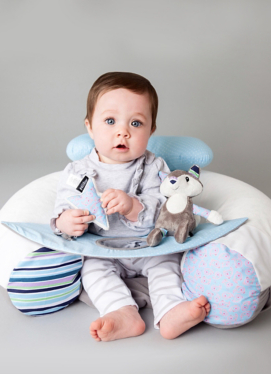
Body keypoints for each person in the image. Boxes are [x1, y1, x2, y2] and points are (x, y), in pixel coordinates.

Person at [51, 72, 210, 341]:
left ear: (151, 131)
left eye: (136, 123)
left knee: (168, 263)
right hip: (102, 250)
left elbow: (165, 209)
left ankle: (170, 310)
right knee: (92, 271)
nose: (123, 131)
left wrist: (132, 206)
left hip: (149, 244)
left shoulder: (154, 166)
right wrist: (66, 221)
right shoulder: (78, 171)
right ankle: (122, 313)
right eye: (110, 121)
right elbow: (60, 210)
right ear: (90, 127)